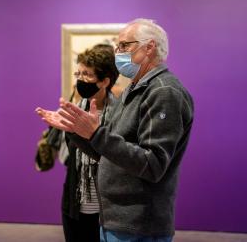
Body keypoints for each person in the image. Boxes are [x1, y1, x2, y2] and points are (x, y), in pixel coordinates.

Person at [36, 18, 194, 242]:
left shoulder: (164, 92)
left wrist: (96, 133)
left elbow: (153, 165)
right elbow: (106, 152)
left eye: (124, 46)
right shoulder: (134, 89)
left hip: (139, 225)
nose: (118, 52)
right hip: (115, 219)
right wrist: (73, 130)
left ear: (149, 47)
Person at [56, 44, 120, 242]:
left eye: (88, 75)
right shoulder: (73, 110)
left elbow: (118, 158)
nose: (81, 79)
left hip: (108, 206)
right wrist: (65, 128)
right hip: (75, 202)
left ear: (104, 81)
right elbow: (65, 158)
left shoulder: (120, 114)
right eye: (79, 73)